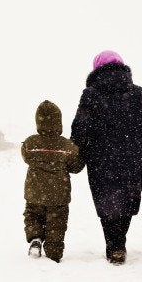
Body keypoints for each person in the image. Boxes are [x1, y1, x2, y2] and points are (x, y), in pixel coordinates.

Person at [71, 50, 142, 265]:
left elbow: (80, 128)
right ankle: (119, 243)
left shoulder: (91, 94)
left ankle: (113, 244)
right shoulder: (137, 93)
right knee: (127, 202)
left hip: (100, 159)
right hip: (132, 158)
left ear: (97, 68)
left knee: (106, 203)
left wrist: (76, 152)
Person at [21, 100, 85, 263]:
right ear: (59, 121)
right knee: (56, 223)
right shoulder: (67, 146)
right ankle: (54, 252)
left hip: (34, 191)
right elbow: (76, 167)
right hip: (59, 194)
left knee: (33, 215)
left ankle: (35, 238)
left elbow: (26, 158)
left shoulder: (30, 143)